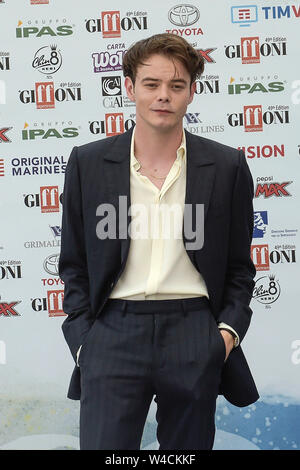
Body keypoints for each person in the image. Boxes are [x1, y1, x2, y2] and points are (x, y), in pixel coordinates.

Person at [59, 33, 259, 450]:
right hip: (113, 331)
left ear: (192, 93)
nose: (163, 96)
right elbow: (74, 263)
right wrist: (85, 343)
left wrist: (224, 335)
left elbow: (240, 267)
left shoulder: (226, 166)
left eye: (176, 85)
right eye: (151, 84)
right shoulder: (89, 163)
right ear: (130, 88)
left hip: (193, 332)